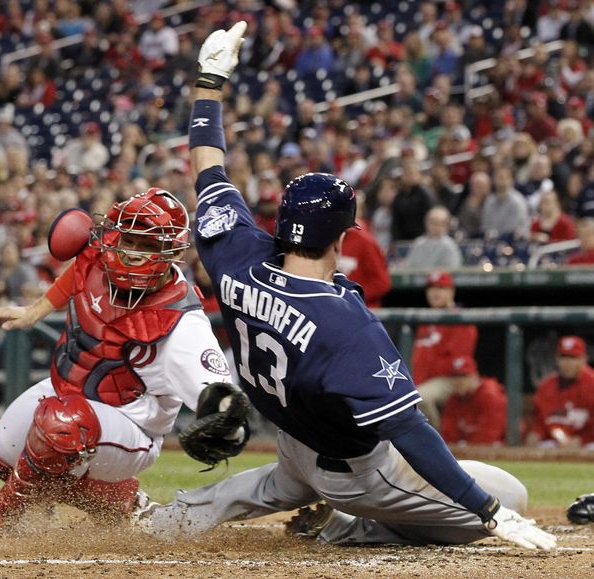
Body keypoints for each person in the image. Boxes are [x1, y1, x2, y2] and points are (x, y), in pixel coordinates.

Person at [137, 22, 555, 551]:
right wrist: (489, 512)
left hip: (290, 435)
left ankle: (168, 520)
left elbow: (206, 162)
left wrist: (209, 82)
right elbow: (410, 430)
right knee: (509, 495)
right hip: (351, 474)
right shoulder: (348, 325)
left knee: (278, 483)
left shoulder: (234, 249)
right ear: (339, 235)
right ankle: (347, 526)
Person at [0, 189, 241, 534]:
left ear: (168, 252)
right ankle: (118, 498)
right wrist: (32, 312)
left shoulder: (183, 322)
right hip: (69, 392)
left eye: (146, 245)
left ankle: (4, 513)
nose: (130, 252)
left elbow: (218, 392)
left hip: (132, 425)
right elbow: (79, 273)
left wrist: (227, 418)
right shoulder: (100, 256)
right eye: (127, 239)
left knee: (61, 425)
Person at [411, 270, 478, 429]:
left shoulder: (459, 318)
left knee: (419, 398)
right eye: (431, 288)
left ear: (451, 291)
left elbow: (458, 362)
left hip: (452, 379)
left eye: (441, 288)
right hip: (425, 380)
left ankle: (437, 441)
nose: (435, 292)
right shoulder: (426, 321)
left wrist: (429, 369)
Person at [527, 336, 594, 449]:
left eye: (573, 358)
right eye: (564, 357)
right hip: (556, 443)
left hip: (588, 443)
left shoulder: (591, 384)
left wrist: (583, 439)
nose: (567, 363)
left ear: (584, 359)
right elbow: (539, 424)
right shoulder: (546, 387)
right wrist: (535, 435)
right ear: (557, 359)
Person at [440, 356, 507, 446]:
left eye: (463, 376)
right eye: (455, 376)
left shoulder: (490, 395)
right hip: (469, 448)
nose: (458, 381)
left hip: (502, 449)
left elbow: (488, 435)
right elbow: (447, 434)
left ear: (474, 376)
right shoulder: (454, 399)